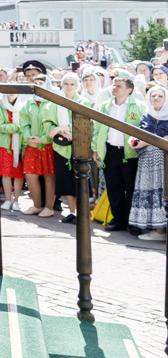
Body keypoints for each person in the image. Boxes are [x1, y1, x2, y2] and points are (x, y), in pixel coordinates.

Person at [91, 73, 147, 233]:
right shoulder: (105, 106)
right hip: (110, 152)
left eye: (119, 86)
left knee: (131, 189)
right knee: (114, 188)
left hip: (129, 154)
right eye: (114, 85)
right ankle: (118, 220)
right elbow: (97, 129)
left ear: (129, 90)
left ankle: (132, 221)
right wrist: (96, 148)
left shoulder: (139, 106)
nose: (114, 88)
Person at [44, 72, 87, 223]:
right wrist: (60, 131)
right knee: (66, 181)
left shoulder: (83, 101)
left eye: (72, 84)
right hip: (61, 147)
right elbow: (48, 123)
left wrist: (68, 129)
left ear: (77, 86)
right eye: (66, 84)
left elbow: (86, 121)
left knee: (79, 180)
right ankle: (72, 212)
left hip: (79, 146)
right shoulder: (55, 102)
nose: (68, 87)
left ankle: (82, 213)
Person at [129, 84, 168, 241]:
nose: (156, 98)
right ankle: (159, 230)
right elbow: (136, 140)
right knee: (151, 192)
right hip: (147, 161)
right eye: (153, 95)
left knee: (164, 192)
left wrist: (148, 141)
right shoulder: (146, 116)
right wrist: (144, 142)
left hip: (164, 161)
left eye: (160, 95)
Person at [19, 61, 57, 218]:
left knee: (49, 176)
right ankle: (36, 205)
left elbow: (54, 123)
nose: (38, 86)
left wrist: (43, 139)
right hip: (32, 144)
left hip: (47, 144)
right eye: (35, 83)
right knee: (31, 175)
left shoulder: (53, 101)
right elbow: (23, 122)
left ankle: (49, 207)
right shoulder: (29, 102)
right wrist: (28, 137)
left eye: (40, 83)